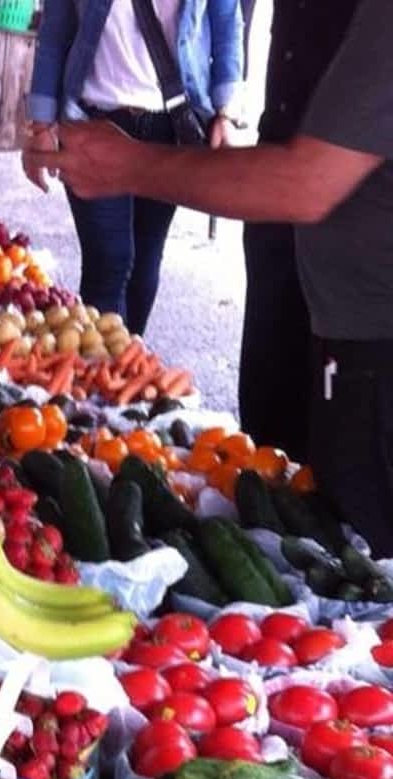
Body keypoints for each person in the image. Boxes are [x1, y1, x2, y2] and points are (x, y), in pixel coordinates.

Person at [53, 0, 393, 552]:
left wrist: (131, 165)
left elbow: (305, 183)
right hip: (310, 293)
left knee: (362, 549)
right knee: (287, 490)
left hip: (374, 345)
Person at [22, 0, 243, 335]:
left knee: (146, 258)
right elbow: (55, 29)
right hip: (92, 120)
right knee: (109, 259)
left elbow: (227, 21)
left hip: (168, 127)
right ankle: (98, 375)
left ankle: (130, 366)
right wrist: (41, 124)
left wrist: (224, 110)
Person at [237, 0, 360, 461]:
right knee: (266, 382)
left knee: (335, 411)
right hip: (273, 209)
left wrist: (133, 167)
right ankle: (265, 490)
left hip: (347, 223)